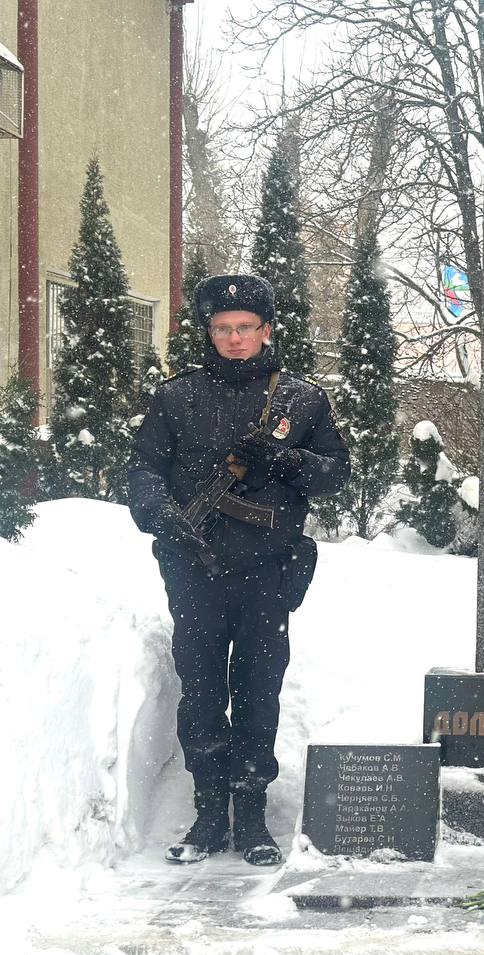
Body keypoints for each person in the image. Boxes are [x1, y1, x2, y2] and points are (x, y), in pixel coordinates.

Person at [127, 274, 350, 866]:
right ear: (209, 332)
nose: (233, 338)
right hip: (196, 570)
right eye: (222, 328)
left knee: (258, 694)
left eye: (245, 327)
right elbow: (143, 470)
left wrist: (287, 458)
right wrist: (162, 515)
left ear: (266, 331)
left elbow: (335, 473)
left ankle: (250, 816)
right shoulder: (177, 397)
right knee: (200, 695)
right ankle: (207, 814)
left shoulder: (299, 400)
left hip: (266, 575)